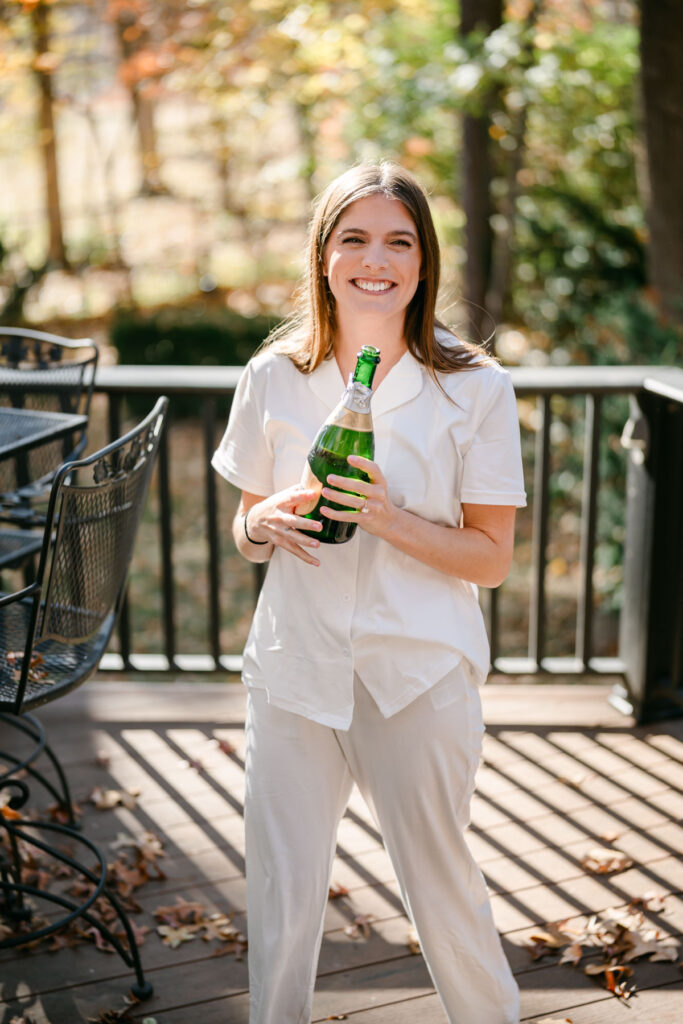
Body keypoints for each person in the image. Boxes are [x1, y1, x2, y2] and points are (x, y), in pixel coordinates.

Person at [212, 162, 526, 1024]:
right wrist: (262, 522)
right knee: (280, 894)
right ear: (322, 256)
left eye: (399, 241)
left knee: (442, 886)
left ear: (423, 263)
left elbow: (491, 558)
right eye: (353, 238)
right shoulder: (273, 374)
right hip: (294, 670)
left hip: (416, 674)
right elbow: (244, 532)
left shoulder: (476, 388)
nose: (374, 260)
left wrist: (388, 518)